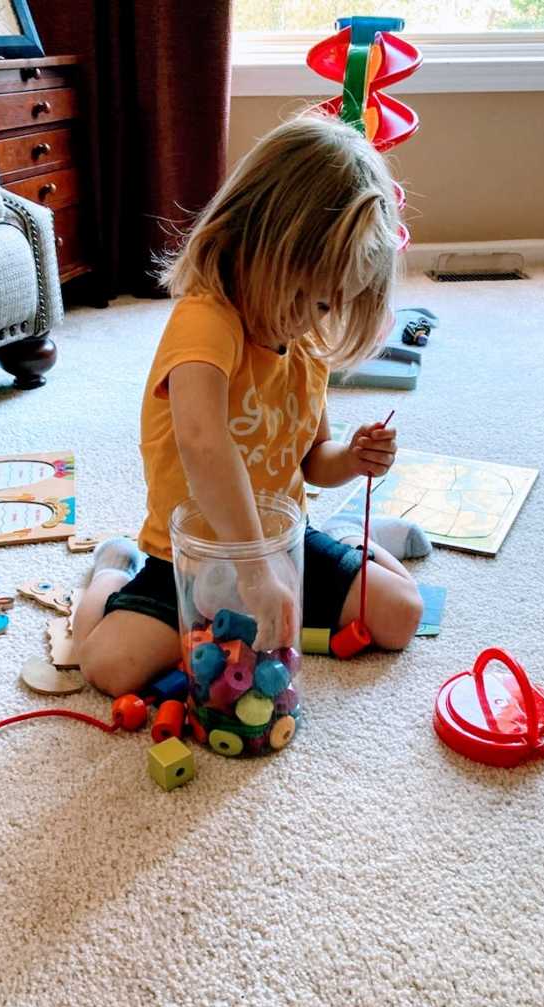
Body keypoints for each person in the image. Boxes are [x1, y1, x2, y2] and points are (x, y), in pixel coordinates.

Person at [74, 115, 428, 698]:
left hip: (280, 548)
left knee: (400, 614)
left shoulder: (306, 345)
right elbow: (202, 443)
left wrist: (354, 458)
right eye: (299, 295)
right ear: (253, 239)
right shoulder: (205, 320)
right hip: (187, 557)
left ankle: (357, 542)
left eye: (324, 306)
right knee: (107, 667)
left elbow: (314, 459)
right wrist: (253, 575)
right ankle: (112, 570)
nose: (306, 320)